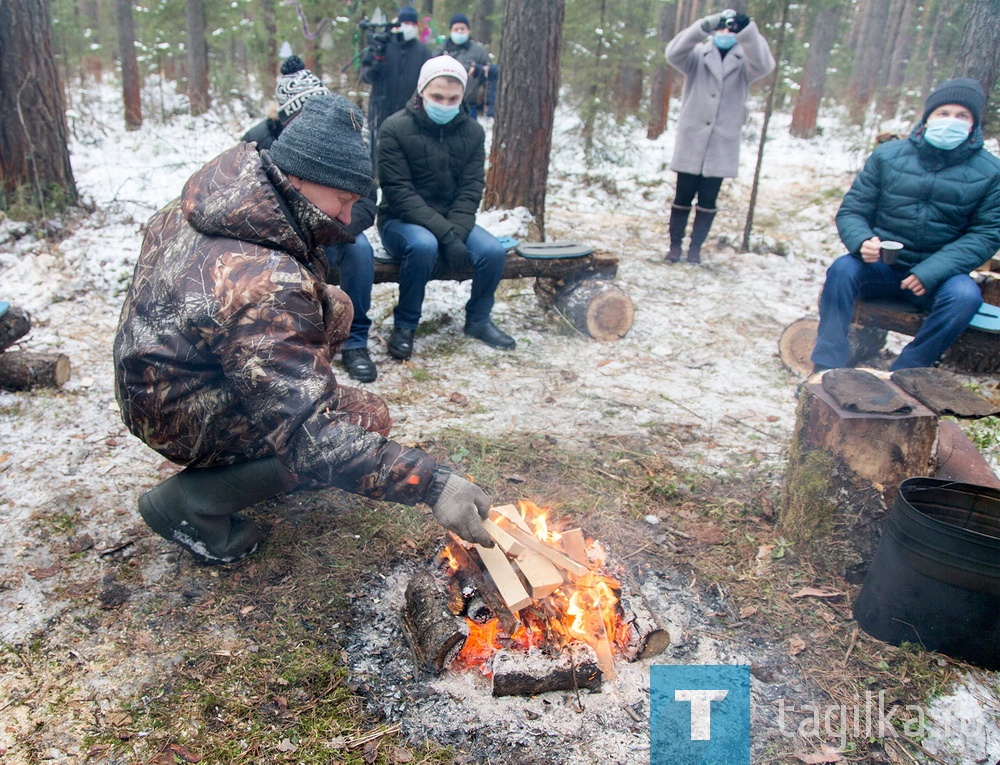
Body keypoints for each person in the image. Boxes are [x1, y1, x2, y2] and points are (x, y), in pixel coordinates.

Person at [113, 94, 495, 566]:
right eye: (342, 200)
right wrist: (432, 483)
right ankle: (192, 503)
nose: (344, 217)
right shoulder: (261, 279)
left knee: (331, 306)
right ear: (299, 177)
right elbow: (312, 435)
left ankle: (262, 442)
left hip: (154, 381)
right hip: (176, 411)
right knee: (360, 419)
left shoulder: (225, 198)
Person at [811, 78, 1000, 373]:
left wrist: (931, 271)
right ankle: (825, 368)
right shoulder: (888, 156)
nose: (951, 121)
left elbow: (986, 233)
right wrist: (862, 241)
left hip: (939, 278)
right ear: (928, 118)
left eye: (962, 115)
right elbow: (853, 210)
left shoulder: (991, 172)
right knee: (842, 270)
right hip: (882, 269)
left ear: (974, 124)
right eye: (943, 113)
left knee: (965, 296)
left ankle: (905, 375)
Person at [242, 55, 380, 384]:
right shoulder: (257, 140)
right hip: (280, 235)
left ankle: (356, 341)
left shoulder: (346, 141)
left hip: (336, 232)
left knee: (360, 250)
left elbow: (367, 200)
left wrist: (333, 224)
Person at [376, 55, 514, 360]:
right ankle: (405, 325)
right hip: (400, 220)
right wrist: (448, 237)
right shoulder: (394, 128)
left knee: (492, 252)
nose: (445, 103)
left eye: (453, 98)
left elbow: (470, 189)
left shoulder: (473, 132)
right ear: (422, 91)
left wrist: (456, 231)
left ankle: (478, 319)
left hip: (454, 218)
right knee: (424, 245)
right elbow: (399, 193)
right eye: (437, 96)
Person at [664, 8, 774, 263]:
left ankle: (695, 251)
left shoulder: (745, 62)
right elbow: (673, 53)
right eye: (722, 28)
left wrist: (748, 32)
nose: (726, 33)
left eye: (731, 30)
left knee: (708, 200)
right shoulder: (697, 56)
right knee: (682, 195)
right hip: (692, 140)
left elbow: (765, 64)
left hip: (721, 143)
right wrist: (702, 26)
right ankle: (674, 247)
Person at [359, 5, 431, 166]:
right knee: (378, 152)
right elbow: (365, 75)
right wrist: (376, 65)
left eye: (413, 24)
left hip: (411, 112)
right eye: (405, 23)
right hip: (381, 110)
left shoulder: (423, 52)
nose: (409, 27)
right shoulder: (383, 46)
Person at [434, 13, 494, 120]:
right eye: (456, 29)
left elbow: (489, 76)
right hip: (443, 103)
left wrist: (487, 100)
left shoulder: (479, 52)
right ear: (451, 31)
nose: (460, 31)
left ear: (468, 30)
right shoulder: (440, 51)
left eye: (463, 28)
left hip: (470, 105)